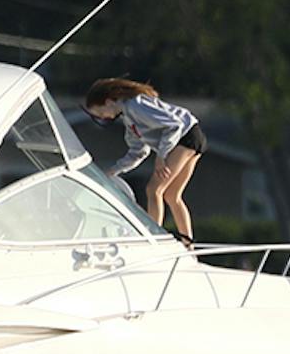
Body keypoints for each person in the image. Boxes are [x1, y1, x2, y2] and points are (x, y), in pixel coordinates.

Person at [83, 78, 205, 245]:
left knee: (153, 189)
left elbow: (174, 125)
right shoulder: (129, 119)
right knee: (172, 195)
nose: (103, 118)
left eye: (100, 113)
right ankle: (189, 245)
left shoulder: (135, 106)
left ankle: (153, 238)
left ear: (109, 101)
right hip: (192, 137)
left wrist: (161, 156)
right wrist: (112, 171)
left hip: (186, 136)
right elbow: (138, 152)